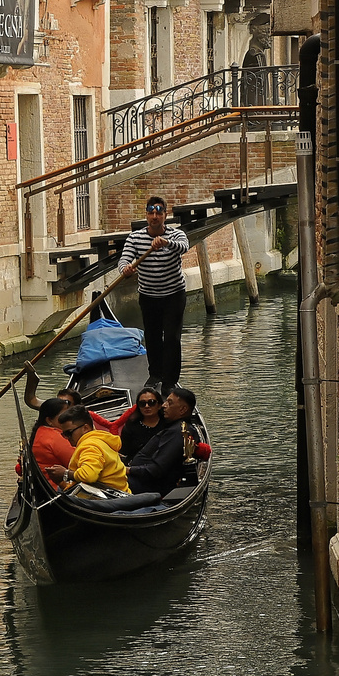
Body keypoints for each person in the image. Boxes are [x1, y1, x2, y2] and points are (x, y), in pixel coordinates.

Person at [118, 195, 190, 389]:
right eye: (151, 213)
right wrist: (125, 269)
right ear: (147, 216)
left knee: (172, 338)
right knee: (152, 336)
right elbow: (124, 259)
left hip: (174, 294)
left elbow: (184, 247)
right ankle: (155, 374)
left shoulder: (176, 235)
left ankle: (170, 380)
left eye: (158, 213)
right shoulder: (135, 237)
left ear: (165, 215)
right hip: (149, 296)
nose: (154, 217)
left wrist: (166, 243)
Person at [125, 386, 209, 495]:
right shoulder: (177, 429)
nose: (164, 405)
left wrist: (127, 470)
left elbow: (156, 470)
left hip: (144, 485)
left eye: (170, 403)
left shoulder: (177, 432)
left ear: (183, 409)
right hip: (141, 478)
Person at [49, 406, 130, 493]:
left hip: (108, 501)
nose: (66, 437)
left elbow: (88, 476)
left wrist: (65, 473)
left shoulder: (89, 446)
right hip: (118, 493)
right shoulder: (100, 439)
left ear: (85, 428)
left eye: (69, 433)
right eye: (64, 434)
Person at [24, 397, 75, 479]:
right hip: (58, 486)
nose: (69, 419)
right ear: (49, 420)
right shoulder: (54, 437)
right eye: (64, 416)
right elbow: (76, 463)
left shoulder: (41, 431)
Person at [119, 387, 167, 458]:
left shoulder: (168, 424)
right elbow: (124, 452)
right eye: (142, 403)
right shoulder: (131, 426)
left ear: (159, 405)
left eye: (151, 403)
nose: (147, 406)